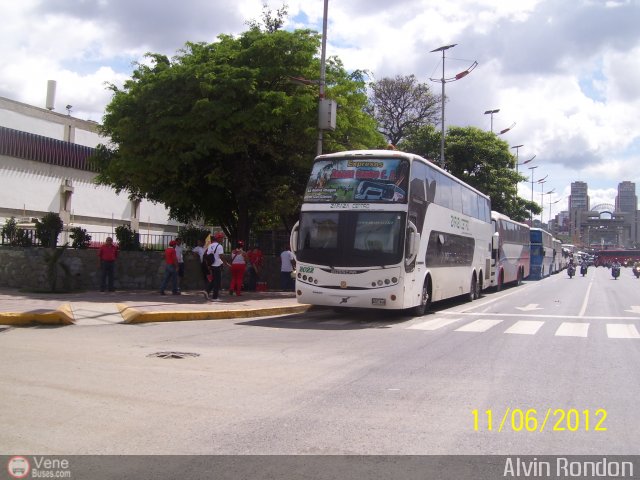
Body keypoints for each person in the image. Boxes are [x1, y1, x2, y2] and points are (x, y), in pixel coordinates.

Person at [203, 232, 228, 301]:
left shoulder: (210, 245)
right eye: (222, 238)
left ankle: (207, 291)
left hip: (212, 265)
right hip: (217, 265)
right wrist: (226, 263)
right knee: (217, 281)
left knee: (214, 280)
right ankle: (215, 297)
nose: (222, 239)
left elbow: (207, 255)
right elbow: (221, 256)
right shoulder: (219, 246)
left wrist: (208, 265)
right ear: (219, 238)